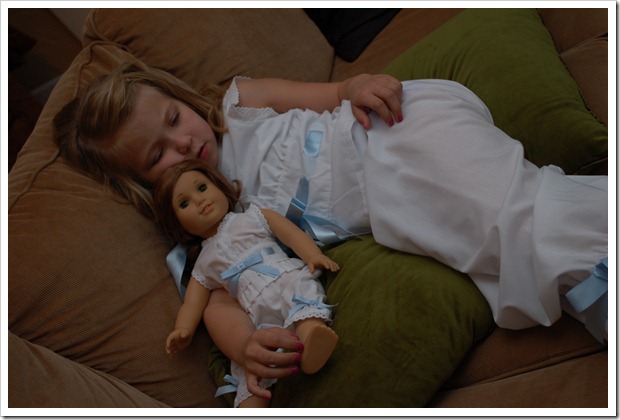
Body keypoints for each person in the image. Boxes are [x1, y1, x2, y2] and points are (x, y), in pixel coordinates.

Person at [54, 62, 608, 401]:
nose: (184, 144)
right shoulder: (214, 227)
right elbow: (217, 299)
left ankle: (596, 273)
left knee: (506, 217)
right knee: (491, 242)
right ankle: (594, 277)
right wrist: (244, 346)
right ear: (143, 187)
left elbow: (335, 91)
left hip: (387, 132)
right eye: (158, 156)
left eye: (175, 118)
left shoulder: (241, 103)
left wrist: (360, 84)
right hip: (392, 203)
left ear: (179, 98)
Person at [152, 159, 340, 407]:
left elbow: (291, 234)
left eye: (202, 188)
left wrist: (312, 255)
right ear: (177, 224)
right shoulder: (203, 265)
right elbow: (192, 304)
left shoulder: (254, 216)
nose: (199, 200)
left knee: (302, 299)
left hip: (283, 278)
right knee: (256, 365)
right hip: (254, 313)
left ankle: (310, 338)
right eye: (184, 203)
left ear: (218, 185)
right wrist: (183, 329)